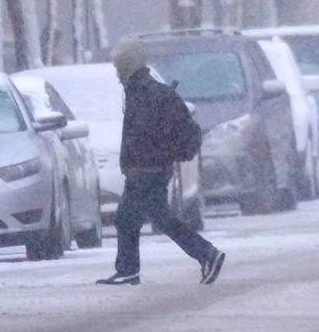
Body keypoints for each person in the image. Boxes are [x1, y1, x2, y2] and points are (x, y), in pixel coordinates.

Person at [96, 36, 225, 286]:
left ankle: (129, 269)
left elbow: (142, 135)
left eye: (117, 67)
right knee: (160, 219)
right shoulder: (143, 89)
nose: (115, 73)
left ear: (126, 65)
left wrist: (136, 163)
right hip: (154, 167)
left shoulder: (142, 92)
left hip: (147, 169)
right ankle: (206, 254)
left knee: (126, 217)